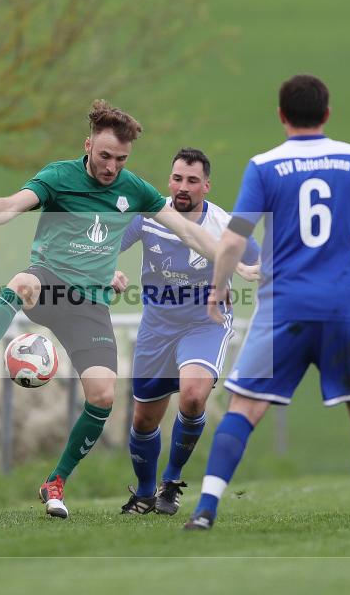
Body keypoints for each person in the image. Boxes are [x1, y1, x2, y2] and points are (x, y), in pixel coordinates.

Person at [0, 100, 260, 520]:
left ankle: (56, 482)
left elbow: (191, 235)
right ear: (88, 145)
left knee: (104, 396)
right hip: (50, 284)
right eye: (104, 156)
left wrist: (236, 264)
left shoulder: (134, 189)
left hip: (89, 307)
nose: (111, 166)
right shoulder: (58, 176)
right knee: (22, 282)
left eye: (120, 159)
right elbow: (11, 204)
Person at [184, 75, 350, 538]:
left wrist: (217, 288)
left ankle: (204, 511)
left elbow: (233, 240)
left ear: (281, 115)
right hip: (344, 308)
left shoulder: (264, 167)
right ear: (327, 114)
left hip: (281, 310)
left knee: (243, 407)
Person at [111, 148, 260, 515]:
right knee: (144, 418)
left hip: (204, 322)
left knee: (193, 396)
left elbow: (260, 261)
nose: (183, 187)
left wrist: (255, 276)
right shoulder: (148, 215)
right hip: (156, 326)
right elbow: (105, 247)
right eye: (177, 178)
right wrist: (107, 271)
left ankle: (171, 482)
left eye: (192, 180)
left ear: (206, 186)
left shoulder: (224, 225)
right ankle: (145, 493)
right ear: (169, 181)